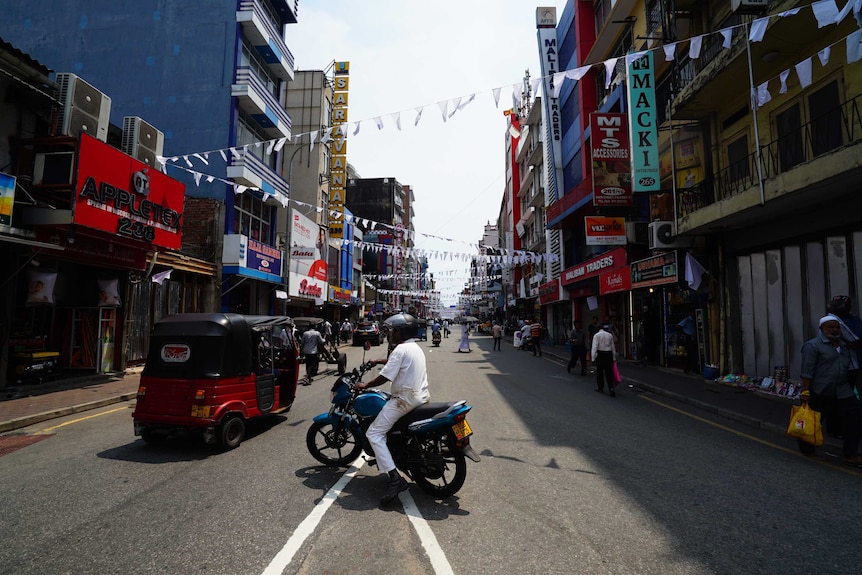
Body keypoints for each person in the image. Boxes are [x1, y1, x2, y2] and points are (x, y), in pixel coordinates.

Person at [355, 313, 431, 504]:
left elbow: (385, 377)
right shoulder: (415, 348)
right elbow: (394, 366)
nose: (392, 333)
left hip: (404, 399)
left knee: (374, 434)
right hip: (418, 396)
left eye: (394, 330)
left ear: (401, 331)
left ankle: (395, 479)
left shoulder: (400, 350)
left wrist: (366, 385)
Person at [799, 315, 862, 467]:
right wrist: (805, 391)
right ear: (821, 329)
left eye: (836, 327)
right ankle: (808, 450)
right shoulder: (812, 346)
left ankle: (851, 454)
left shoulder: (844, 346)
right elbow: (807, 370)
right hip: (820, 390)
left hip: (842, 389)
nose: (834, 330)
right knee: (814, 421)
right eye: (829, 327)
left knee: (854, 417)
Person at [827, 295, 862, 393]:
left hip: (856, 362)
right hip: (845, 365)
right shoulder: (834, 320)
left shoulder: (853, 319)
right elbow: (855, 340)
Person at [591, 322, 617, 396]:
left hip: (600, 355)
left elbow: (594, 347)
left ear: (597, 329)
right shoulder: (610, 335)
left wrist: (593, 358)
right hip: (609, 355)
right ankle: (611, 388)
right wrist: (614, 358)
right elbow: (613, 348)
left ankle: (600, 387)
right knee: (609, 373)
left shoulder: (596, 336)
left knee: (600, 372)